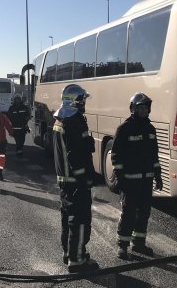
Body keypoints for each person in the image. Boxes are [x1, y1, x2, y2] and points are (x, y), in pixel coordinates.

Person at [52, 84, 99, 273]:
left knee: (68, 217)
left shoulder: (61, 118)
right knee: (79, 220)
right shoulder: (74, 121)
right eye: (82, 100)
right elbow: (75, 154)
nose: (84, 103)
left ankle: (69, 252)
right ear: (75, 101)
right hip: (75, 181)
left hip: (65, 180)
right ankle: (77, 260)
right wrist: (83, 179)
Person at [111, 92, 162, 260]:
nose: (144, 111)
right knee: (129, 212)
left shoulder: (150, 129)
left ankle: (139, 243)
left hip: (146, 180)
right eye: (140, 108)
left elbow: (154, 154)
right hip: (129, 180)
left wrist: (158, 175)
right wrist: (119, 177)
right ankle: (122, 246)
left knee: (144, 212)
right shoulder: (124, 129)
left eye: (146, 108)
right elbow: (116, 156)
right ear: (133, 108)